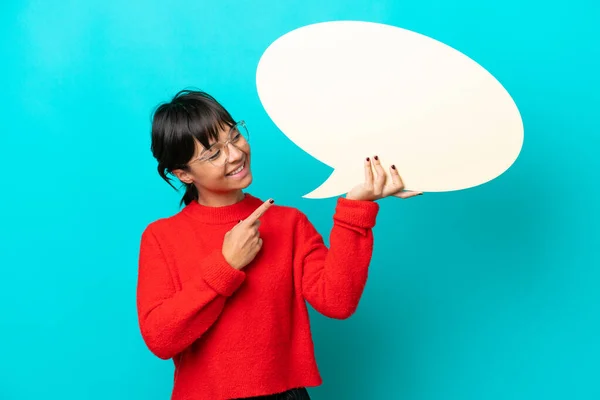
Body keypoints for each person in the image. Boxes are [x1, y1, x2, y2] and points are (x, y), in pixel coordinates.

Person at [136, 89, 422, 400]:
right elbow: (161, 339)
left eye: (234, 136)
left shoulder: (289, 224)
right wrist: (226, 266)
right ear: (182, 174)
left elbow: (337, 302)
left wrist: (356, 208)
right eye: (213, 153)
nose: (234, 154)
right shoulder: (162, 237)